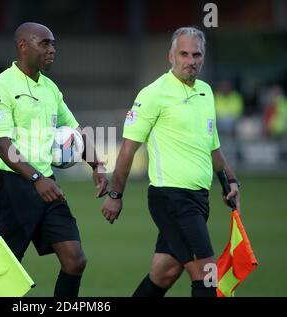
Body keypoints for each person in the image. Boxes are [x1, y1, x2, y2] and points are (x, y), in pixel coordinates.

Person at [101, 27, 240, 297]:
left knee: (164, 273)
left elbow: (213, 149)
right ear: (171, 56)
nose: (190, 60)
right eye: (183, 54)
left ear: (203, 57)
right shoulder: (153, 93)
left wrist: (230, 181)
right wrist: (115, 195)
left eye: (196, 54)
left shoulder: (206, 92)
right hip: (171, 199)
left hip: (199, 199)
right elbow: (128, 148)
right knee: (206, 273)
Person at [0, 22, 108, 297]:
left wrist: (96, 165)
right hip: (11, 186)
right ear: (23, 46)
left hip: (46, 185)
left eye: (53, 44)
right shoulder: (1, 87)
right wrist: (37, 178)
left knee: (75, 260)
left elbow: (74, 129)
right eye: (45, 43)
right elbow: (2, 143)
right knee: (7, 274)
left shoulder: (50, 88)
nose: (52, 50)